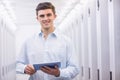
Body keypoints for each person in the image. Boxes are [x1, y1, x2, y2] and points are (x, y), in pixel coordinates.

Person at [16, 2, 80, 80]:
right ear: (37, 18)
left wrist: (59, 73)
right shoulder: (29, 42)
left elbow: (75, 68)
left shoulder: (66, 41)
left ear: (55, 16)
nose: (46, 18)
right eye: (42, 16)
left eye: (49, 15)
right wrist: (24, 68)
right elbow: (17, 65)